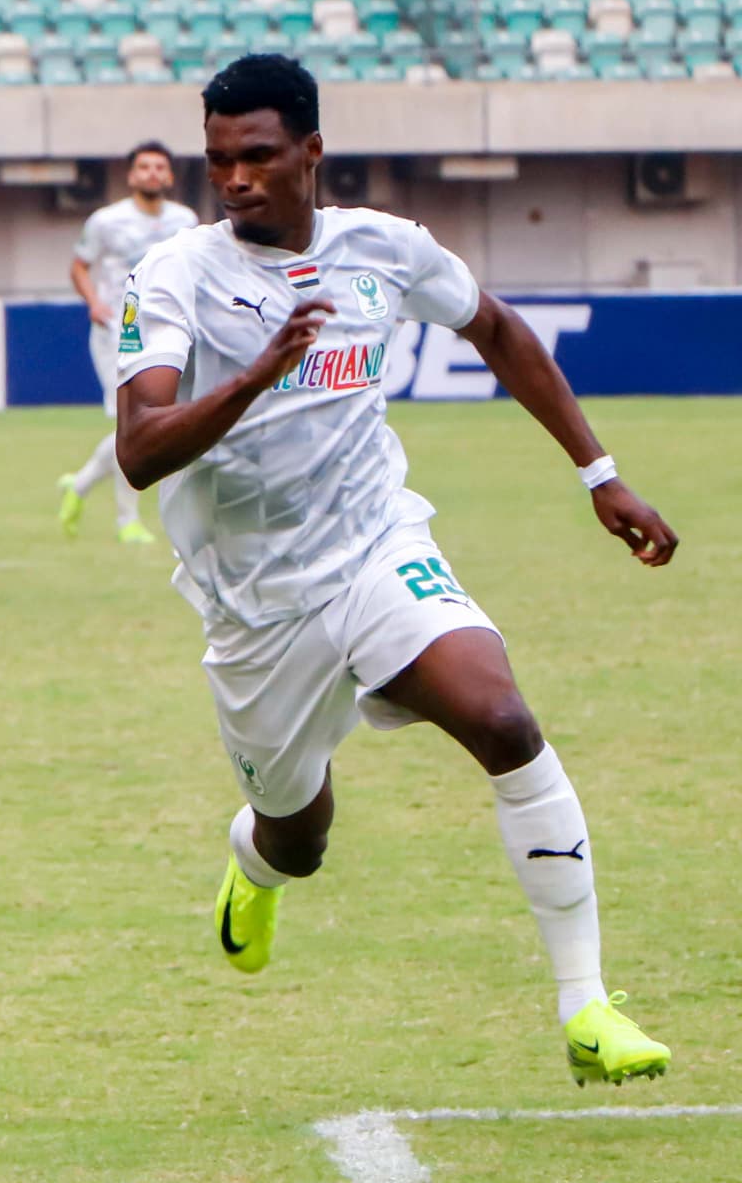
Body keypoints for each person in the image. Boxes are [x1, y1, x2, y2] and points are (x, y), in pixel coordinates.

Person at [115, 54, 681, 1087]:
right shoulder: (172, 277)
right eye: (216, 161)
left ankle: (585, 1004)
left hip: (377, 547)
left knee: (503, 720)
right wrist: (253, 377)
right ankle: (253, 866)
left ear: (309, 152)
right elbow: (140, 449)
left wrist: (600, 475)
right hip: (256, 610)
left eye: (255, 156)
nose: (232, 179)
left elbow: (499, 330)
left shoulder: (384, 249)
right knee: (299, 835)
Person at [60, 142, 197, 546]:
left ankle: (80, 485)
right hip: (118, 332)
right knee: (130, 424)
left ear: (169, 176)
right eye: (144, 167)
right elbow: (79, 266)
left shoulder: (185, 219)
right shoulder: (106, 220)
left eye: (160, 167)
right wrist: (94, 302)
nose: (152, 173)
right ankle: (127, 522)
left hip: (168, 330)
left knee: (150, 421)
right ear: (131, 175)